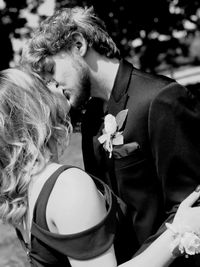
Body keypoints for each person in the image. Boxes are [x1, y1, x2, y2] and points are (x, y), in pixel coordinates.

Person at [20, 6, 200, 266]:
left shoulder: (161, 100)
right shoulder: (92, 115)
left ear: (78, 45)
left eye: (51, 69)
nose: (53, 85)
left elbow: (189, 205)